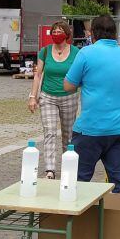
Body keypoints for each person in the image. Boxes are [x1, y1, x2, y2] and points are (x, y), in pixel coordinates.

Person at [64, 15, 120, 194]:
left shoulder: (86, 53)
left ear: (92, 34)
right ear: (115, 34)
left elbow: (68, 86)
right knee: (119, 181)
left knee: (78, 180)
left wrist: (84, 82)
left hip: (90, 128)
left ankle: (75, 221)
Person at [27, 21, 79, 179]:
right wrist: (32, 97)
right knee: (49, 132)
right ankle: (50, 170)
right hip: (48, 96)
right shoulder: (45, 51)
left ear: (67, 34)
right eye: (54, 31)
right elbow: (38, 74)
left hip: (69, 96)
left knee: (68, 135)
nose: (56, 34)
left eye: (60, 31)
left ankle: (68, 167)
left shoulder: (76, 52)